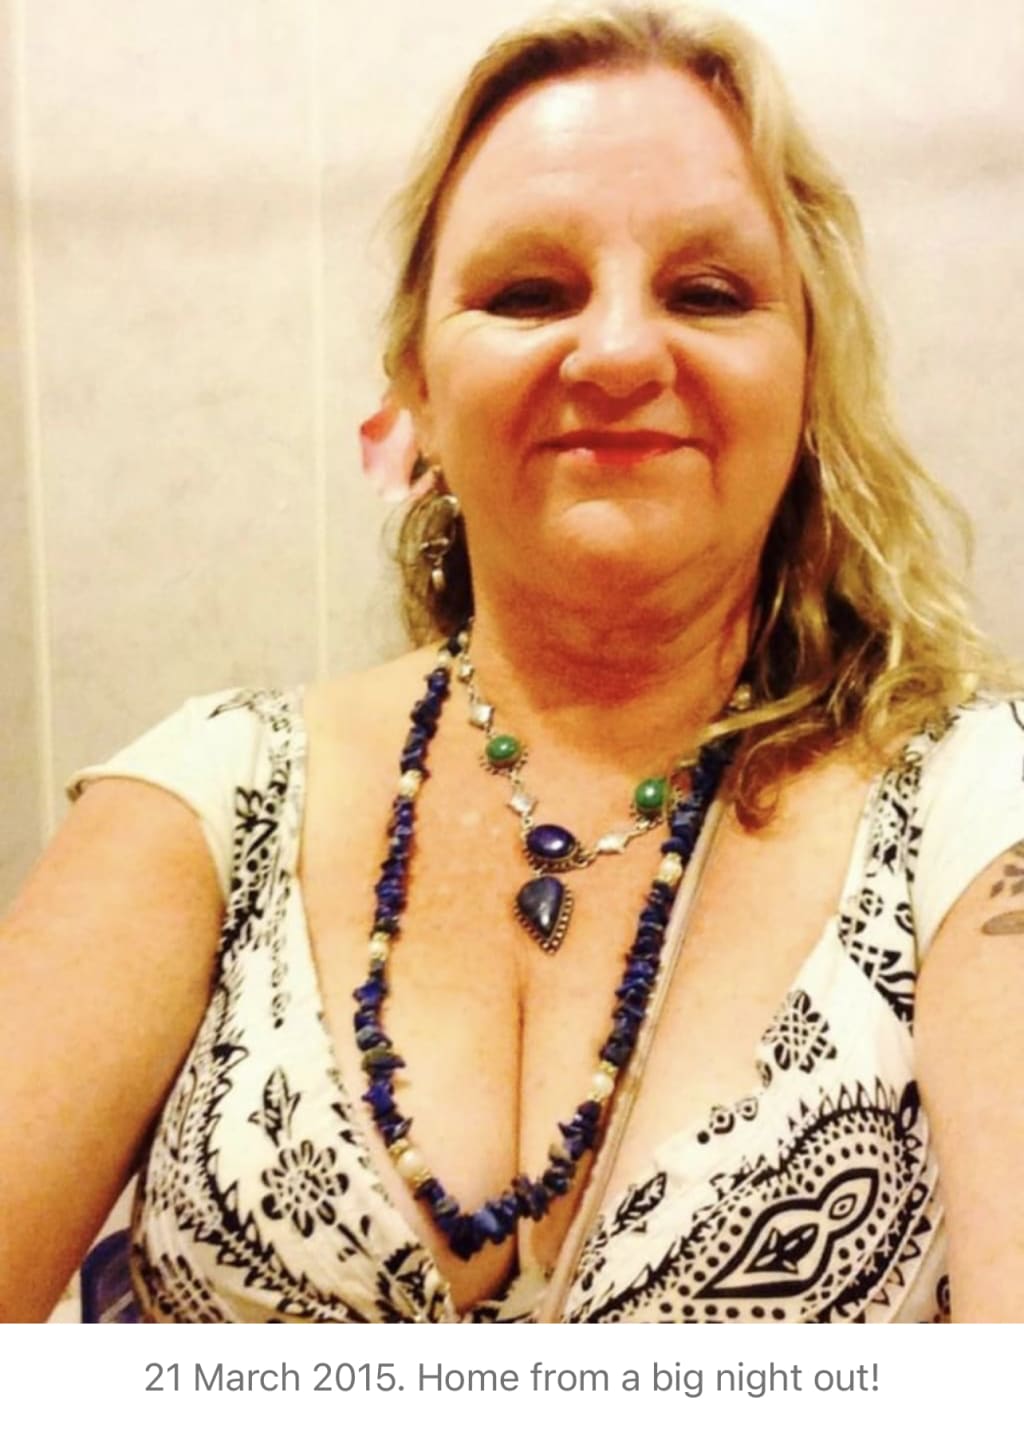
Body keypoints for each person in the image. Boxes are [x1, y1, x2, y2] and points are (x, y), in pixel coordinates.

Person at [2, 2, 1023, 1325]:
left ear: (807, 372)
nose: (620, 350)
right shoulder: (206, 797)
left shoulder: (974, 811)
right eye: (528, 292)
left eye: (708, 293)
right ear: (416, 389)